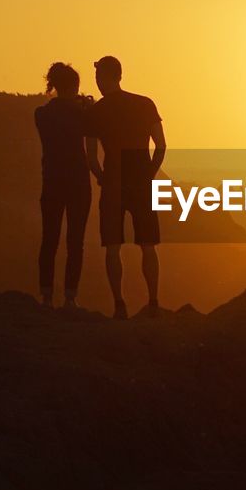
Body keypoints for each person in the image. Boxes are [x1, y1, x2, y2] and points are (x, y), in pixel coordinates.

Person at [86, 55, 165, 319]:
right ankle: (153, 302)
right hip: (141, 180)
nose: (97, 83)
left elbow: (90, 156)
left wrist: (101, 176)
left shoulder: (96, 112)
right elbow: (161, 145)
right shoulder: (144, 103)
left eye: (99, 78)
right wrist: (149, 173)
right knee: (148, 244)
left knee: (112, 246)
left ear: (110, 77)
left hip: (113, 182)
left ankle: (119, 305)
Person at [34, 62, 98, 309]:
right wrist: (87, 108)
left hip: (51, 180)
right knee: (75, 241)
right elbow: (92, 130)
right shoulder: (82, 114)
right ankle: (70, 296)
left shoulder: (41, 114)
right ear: (75, 86)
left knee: (49, 238)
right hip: (78, 182)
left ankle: (46, 294)